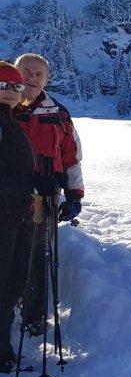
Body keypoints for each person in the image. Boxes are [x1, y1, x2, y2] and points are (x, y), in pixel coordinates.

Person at [13, 53, 84, 337]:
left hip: (46, 197)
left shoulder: (58, 113)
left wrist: (74, 194)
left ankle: (33, 317)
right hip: (8, 195)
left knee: (39, 258)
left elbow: (72, 158)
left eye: (38, 74)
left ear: (47, 79)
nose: (31, 78)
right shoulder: (6, 106)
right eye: (26, 72)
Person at [0, 62, 37, 372]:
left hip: (14, 214)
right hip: (4, 216)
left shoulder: (8, 121)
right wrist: (32, 183)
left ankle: (2, 348)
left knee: (12, 282)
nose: (11, 92)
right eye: (3, 85)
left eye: (16, 86)